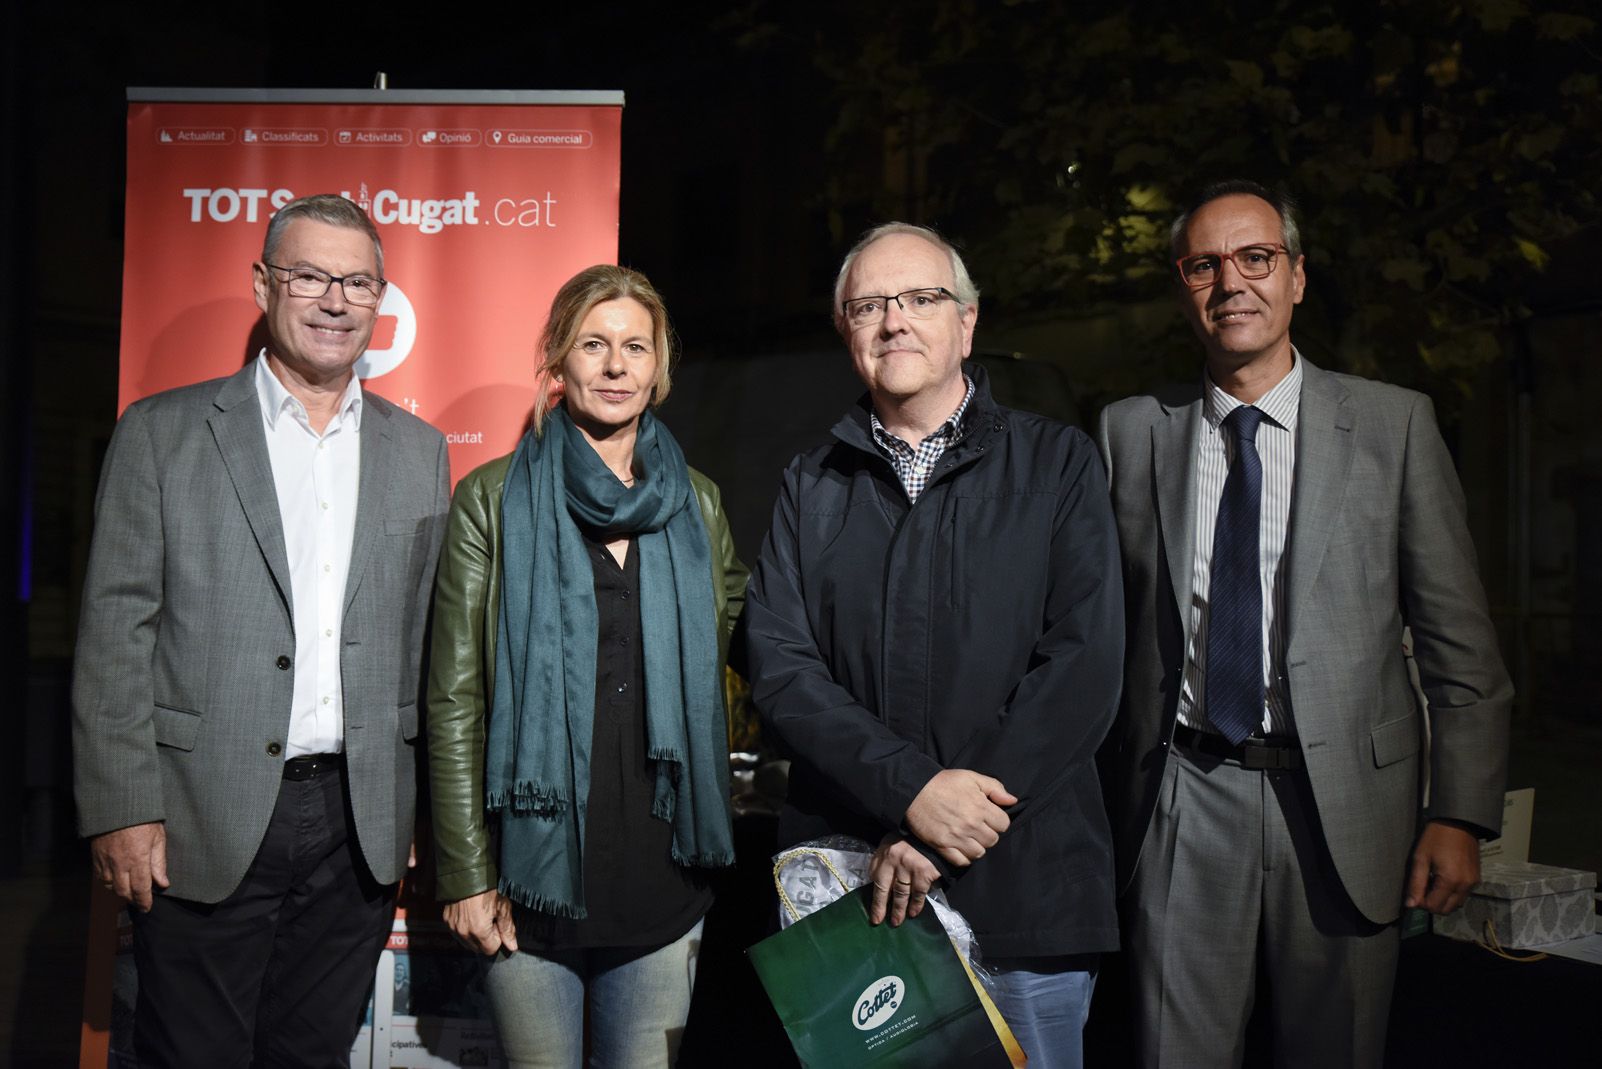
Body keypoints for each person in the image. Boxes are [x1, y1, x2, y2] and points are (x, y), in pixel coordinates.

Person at [1096, 180, 1512, 1067]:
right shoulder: (1130, 434)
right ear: (1183, 286)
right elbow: (1094, 634)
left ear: (1296, 278)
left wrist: (1461, 814)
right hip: (1182, 795)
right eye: (1204, 264)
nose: (1231, 282)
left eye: (1256, 258)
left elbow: (1459, 644)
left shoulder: (1394, 425)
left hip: (1346, 815)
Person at [72, 193, 451, 1066]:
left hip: (357, 820)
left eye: (357, 282)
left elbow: (429, 650)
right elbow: (114, 631)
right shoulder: (162, 435)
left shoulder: (418, 450)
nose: (334, 300)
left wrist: (432, 817)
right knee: (190, 1052)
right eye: (310, 275)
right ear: (262, 284)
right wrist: (123, 806)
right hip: (201, 813)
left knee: (310, 1055)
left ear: (380, 298)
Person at [742, 223, 1125, 1068]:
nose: (895, 322)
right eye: (870, 305)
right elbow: (781, 670)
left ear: (968, 323)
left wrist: (952, 826)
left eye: (921, 299)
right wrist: (913, 790)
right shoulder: (812, 484)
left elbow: (1084, 666)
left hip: (1026, 889)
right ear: (846, 330)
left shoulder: (1058, 463)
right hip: (856, 898)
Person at [427, 264, 745, 1068]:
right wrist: (464, 872)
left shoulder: (698, 502)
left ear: (658, 366)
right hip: (527, 882)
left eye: (635, 347)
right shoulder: (493, 499)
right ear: (558, 362)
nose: (615, 366)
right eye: (593, 344)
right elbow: (455, 696)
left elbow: (749, 652)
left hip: (663, 875)